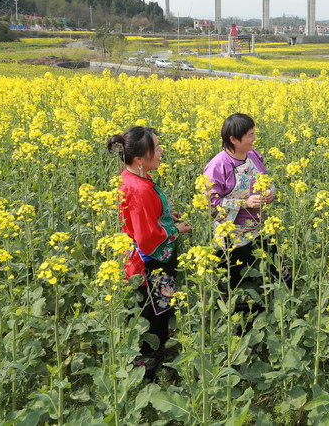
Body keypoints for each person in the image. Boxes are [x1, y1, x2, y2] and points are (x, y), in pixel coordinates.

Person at [107, 126, 191, 381]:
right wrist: (175, 229)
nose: (161, 150)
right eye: (156, 147)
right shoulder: (139, 189)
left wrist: (165, 217)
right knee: (156, 317)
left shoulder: (130, 178)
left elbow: (143, 220)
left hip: (139, 262)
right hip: (150, 266)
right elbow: (146, 238)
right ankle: (149, 375)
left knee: (149, 314)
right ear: (139, 159)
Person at [202, 113, 285, 308]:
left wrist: (269, 193)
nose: (254, 138)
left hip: (260, 230)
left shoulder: (254, 156)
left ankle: (274, 313)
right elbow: (210, 204)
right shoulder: (217, 166)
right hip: (232, 236)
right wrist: (244, 203)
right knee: (234, 287)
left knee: (278, 272)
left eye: (253, 133)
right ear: (233, 139)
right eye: (249, 135)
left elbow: (266, 180)